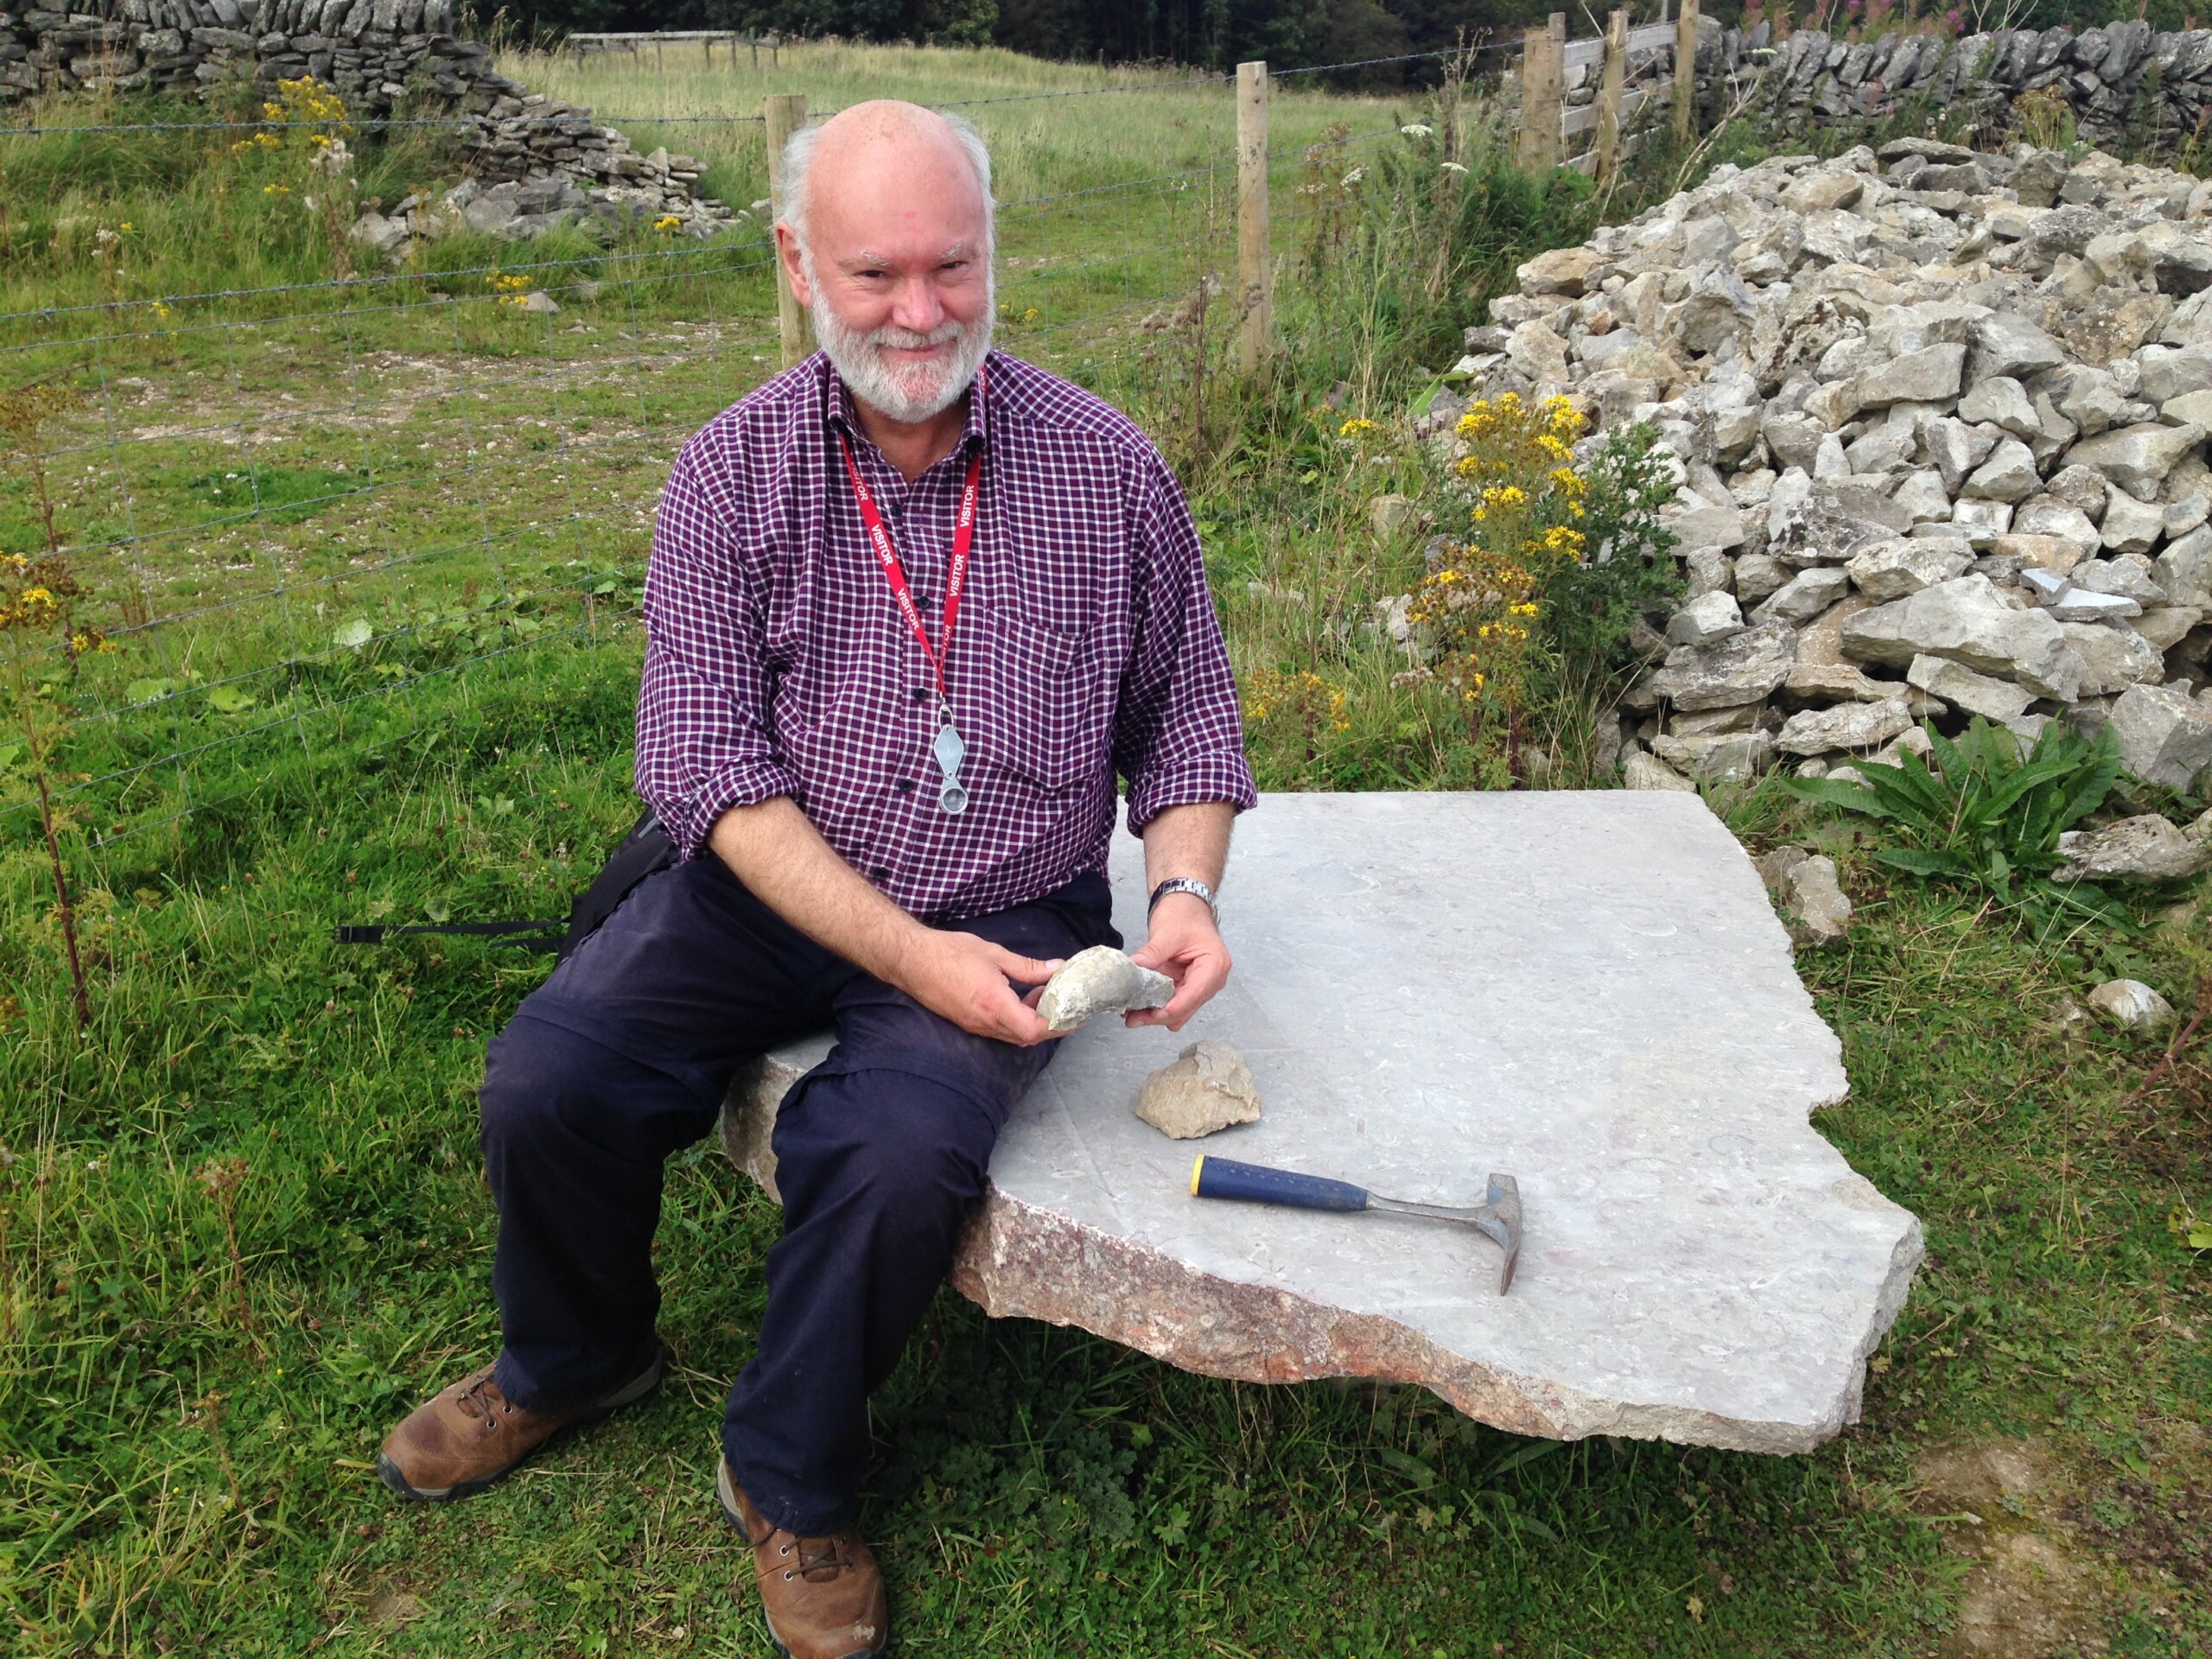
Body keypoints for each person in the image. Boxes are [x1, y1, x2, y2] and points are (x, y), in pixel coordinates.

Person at [373, 99, 1256, 1659]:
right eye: (874, 273)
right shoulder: (731, 472)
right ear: (797, 266)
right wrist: (906, 955)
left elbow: (1187, 717)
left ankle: (787, 1475)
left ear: (995, 253)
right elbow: (707, 768)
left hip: (1014, 903)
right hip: (775, 877)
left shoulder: (1109, 468)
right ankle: (575, 1358)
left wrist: (1183, 891)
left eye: (951, 265)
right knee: (549, 1083)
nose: (920, 311)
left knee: (897, 1154)